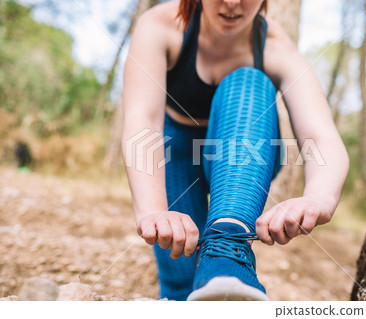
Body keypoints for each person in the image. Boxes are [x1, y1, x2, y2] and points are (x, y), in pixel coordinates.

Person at [122, 0, 349, 301]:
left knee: (248, 81)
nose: (232, 2)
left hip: (247, 152)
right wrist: (152, 209)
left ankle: (228, 252)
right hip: (175, 153)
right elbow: (144, 121)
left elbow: (322, 137)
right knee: (180, 274)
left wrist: (320, 197)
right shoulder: (161, 25)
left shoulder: (275, 46)